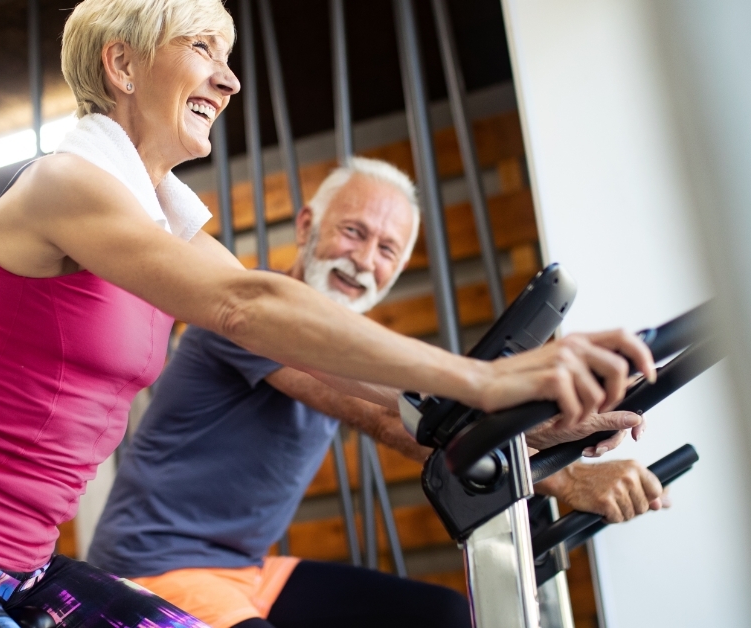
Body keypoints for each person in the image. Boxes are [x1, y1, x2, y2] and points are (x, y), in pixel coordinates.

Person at [0, 0, 656, 625]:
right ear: (124, 65)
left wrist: (515, 420)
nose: (230, 76)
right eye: (204, 46)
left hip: (25, 563)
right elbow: (245, 303)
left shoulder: (164, 220)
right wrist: (486, 373)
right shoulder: (66, 185)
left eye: (231, 52)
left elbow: (309, 336)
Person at [85, 158, 670, 628]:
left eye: (386, 249)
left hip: (246, 569)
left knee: (446, 617)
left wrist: (545, 430)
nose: (364, 260)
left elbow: (426, 416)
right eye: (353, 232)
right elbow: (392, 420)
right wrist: (565, 480)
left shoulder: (355, 347)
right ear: (309, 226)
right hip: (154, 568)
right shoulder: (253, 310)